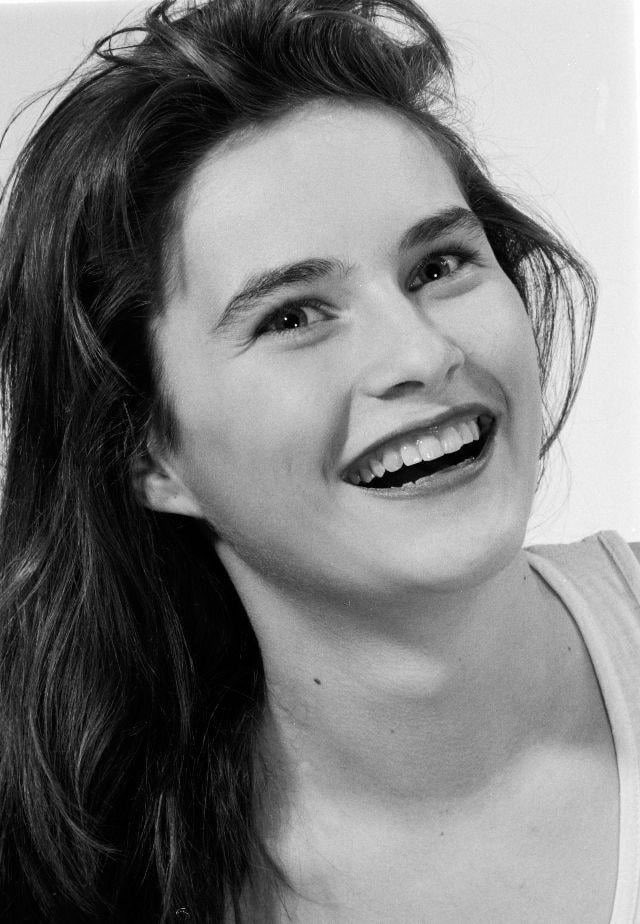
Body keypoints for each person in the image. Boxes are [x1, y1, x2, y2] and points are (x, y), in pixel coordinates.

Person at [0, 0, 638, 920]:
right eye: (293, 316)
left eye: (439, 265)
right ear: (150, 454)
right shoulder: (74, 871)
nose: (421, 355)